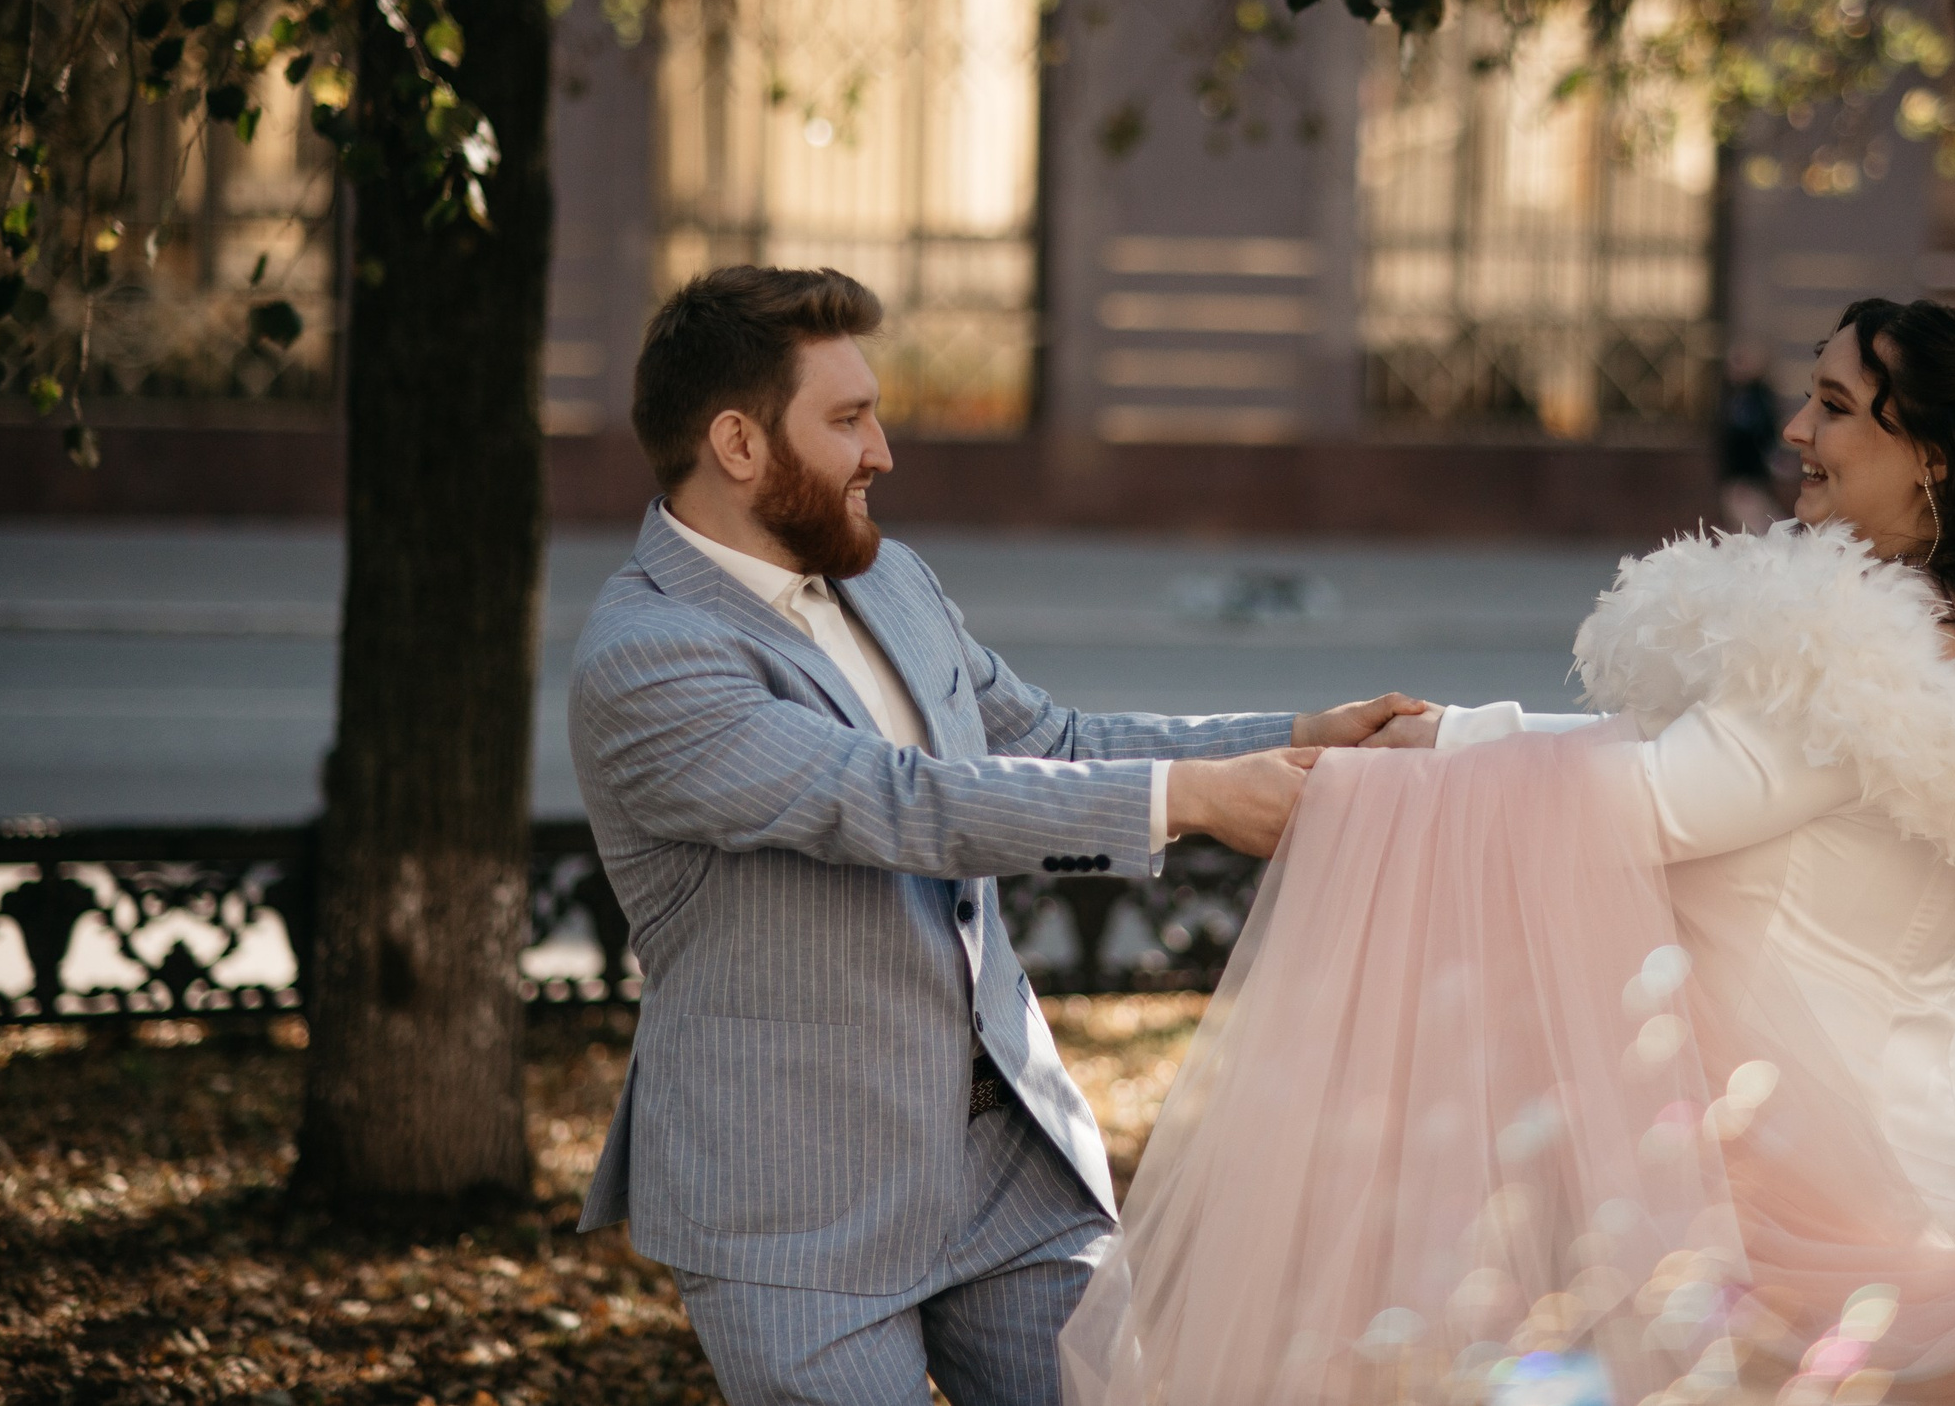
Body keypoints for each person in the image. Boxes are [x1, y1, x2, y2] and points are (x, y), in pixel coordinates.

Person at [1062, 300, 1955, 1406]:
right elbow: (1697, 759)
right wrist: (1452, 732)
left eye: (1836, 407)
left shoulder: (1862, 648)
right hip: (1901, 1139)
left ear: (1930, 455)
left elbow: (1654, 801)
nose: (1796, 431)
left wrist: (1375, 788)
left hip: (1781, 1169)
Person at [567, 265, 1436, 1405]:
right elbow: (896, 800)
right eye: (848, 418)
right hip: (796, 1211)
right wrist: (1194, 798)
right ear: (737, 442)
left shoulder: (890, 579)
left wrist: (1291, 736)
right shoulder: (646, 654)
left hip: (1008, 1170)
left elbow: (1049, 740)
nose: (881, 452)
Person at [1717, 340, 1785, 532]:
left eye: (1740, 362)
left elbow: (1761, 437)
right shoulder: (1734, 396)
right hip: (1737, 476)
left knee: (1754, 526)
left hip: (1748, 477)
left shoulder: (1757, 398)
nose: (1733, 368)